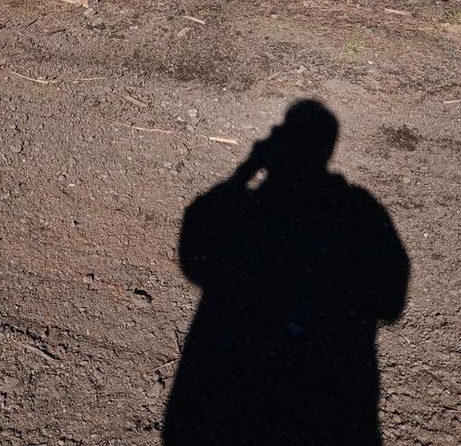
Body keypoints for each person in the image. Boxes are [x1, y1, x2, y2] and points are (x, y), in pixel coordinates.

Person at [163, 100, 409, 446]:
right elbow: (391, 301)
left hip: (241, 385)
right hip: (330, 394)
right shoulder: (359, 210)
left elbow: (194, 252)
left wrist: (245, 170)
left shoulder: (251, 211)